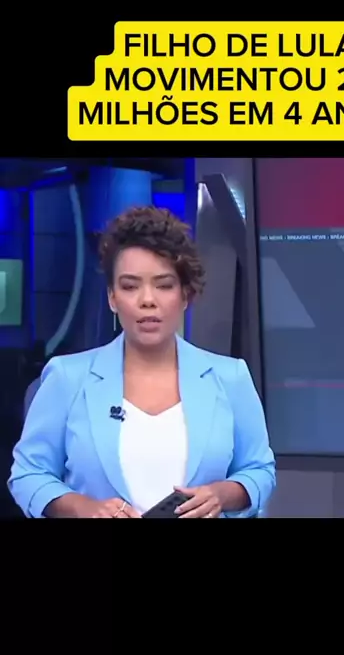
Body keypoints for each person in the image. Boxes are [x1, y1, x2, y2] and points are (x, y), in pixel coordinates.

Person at [8, 206, 276, 519]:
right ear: (112, 297)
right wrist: (86, 509)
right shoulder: (67, 378)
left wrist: (221, 495)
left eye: (163, 285)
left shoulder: (230, 378)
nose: (147, 300)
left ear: (185, 295)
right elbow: (28, 474)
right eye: (130, 286)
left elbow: (259, 470)